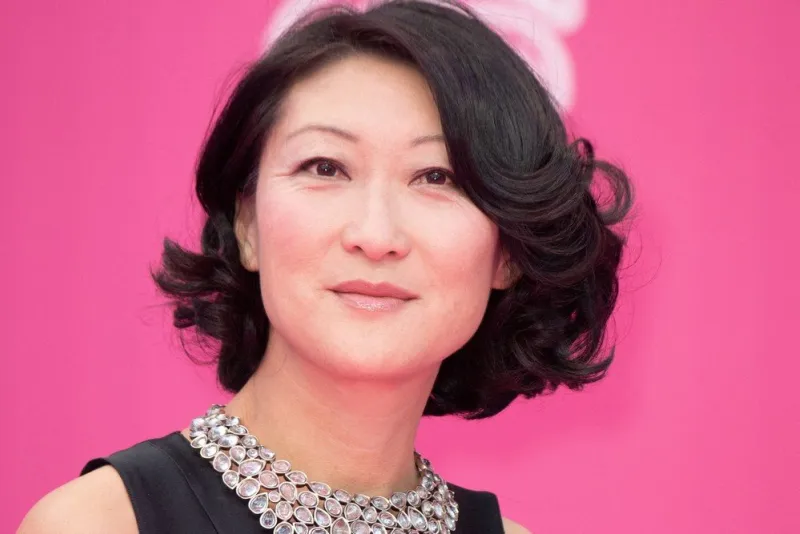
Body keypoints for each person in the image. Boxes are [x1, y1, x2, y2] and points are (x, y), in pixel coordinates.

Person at [19, 0, 633, 532]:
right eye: (326, 167)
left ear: (508, 251)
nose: (375, 235)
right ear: (249, 224)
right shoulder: (101, 524)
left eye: (437, 177)